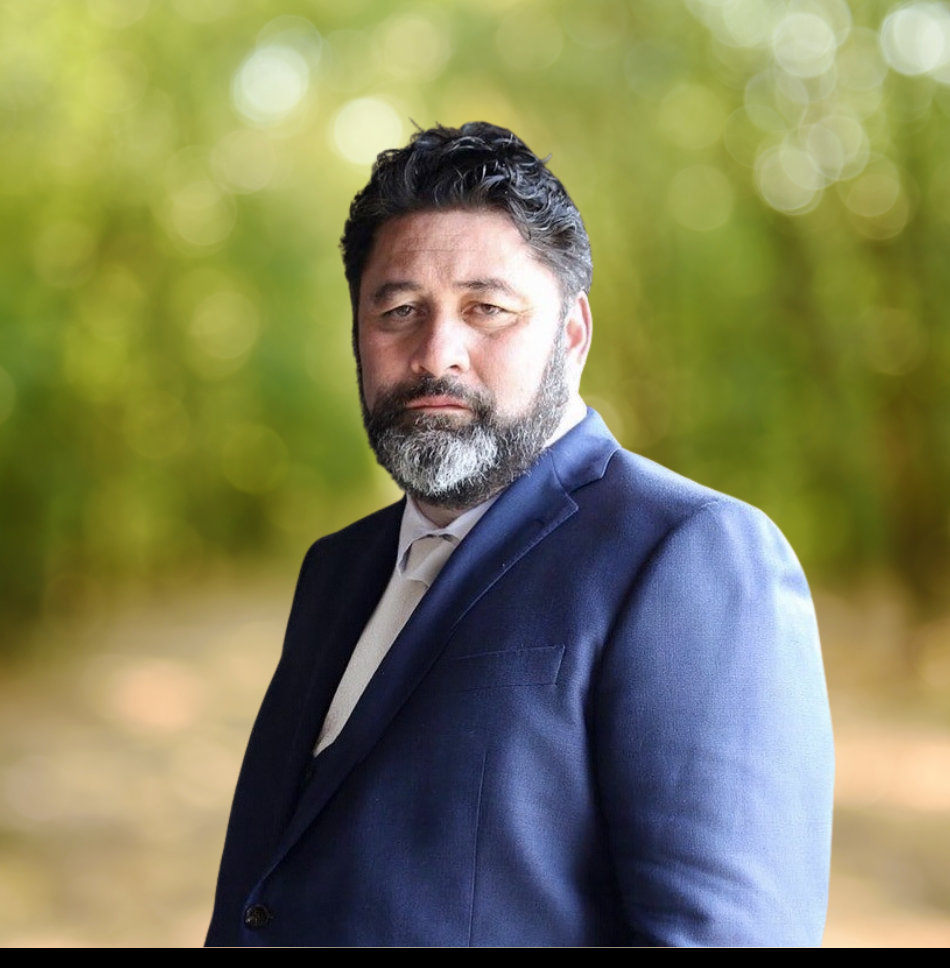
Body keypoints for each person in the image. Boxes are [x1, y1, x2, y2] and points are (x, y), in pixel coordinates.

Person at [205, 122, 834, 947]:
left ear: (571, 334)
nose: (439, 353)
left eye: (487, 309)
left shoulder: (692, 555)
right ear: (357, 333)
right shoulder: (337, 569)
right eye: (398, 310)